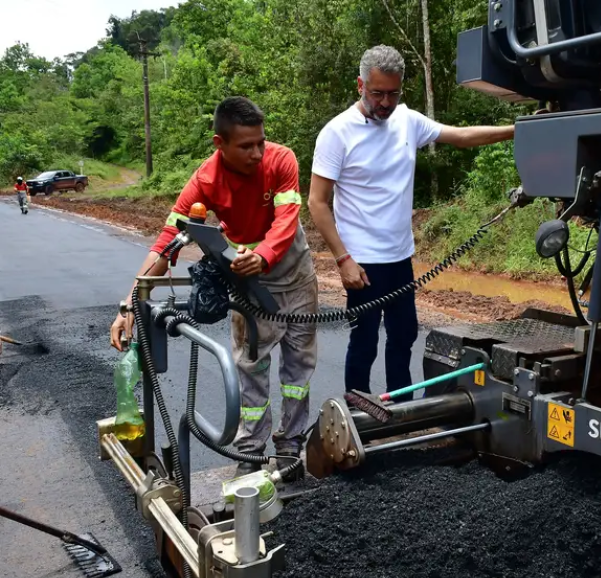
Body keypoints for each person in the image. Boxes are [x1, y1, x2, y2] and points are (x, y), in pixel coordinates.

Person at [109, 96, 318, 481]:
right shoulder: (205, 181)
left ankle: (290, 447)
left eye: (261, 142)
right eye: (246, 146)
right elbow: (167, 242)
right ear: (219, 143)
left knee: (300, 368)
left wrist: (265, 254)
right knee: (250, 367)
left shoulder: (281, 159)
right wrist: (128, 305)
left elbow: (288, 219)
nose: (258, 153)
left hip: (296, 276)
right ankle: (251, 453)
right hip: (247, 281)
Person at [308, 45, 514, 402]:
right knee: (364, 340)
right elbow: (317, 202)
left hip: (400, 258)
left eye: (393, 93)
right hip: (361, 263)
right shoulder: (337, 133)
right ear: (360, 85)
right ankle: (357, 411)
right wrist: (343, 259)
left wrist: (517, 130)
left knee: (403, 335)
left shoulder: (408, 120)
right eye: (377, 93)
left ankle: (401, 409)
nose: (385, 102)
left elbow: (461, 137)